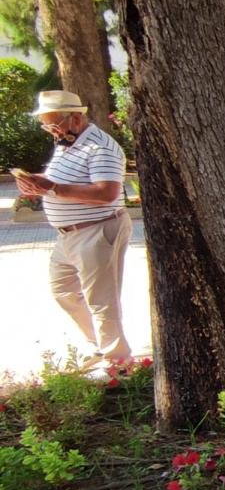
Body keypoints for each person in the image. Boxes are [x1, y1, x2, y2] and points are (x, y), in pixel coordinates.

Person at [14, 90, 132, 373]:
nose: (50, 130)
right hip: (68, 234)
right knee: (63, 290)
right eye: (46, 125)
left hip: (97, 230)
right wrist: (38, 182)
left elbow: (107, 192)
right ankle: (99, 346)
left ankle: (117, 362)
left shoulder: (100, 147)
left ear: (76, 118)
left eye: (54, 124)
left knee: (101, 299)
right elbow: (61, 179)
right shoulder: (67, 142)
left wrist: (53, 188)